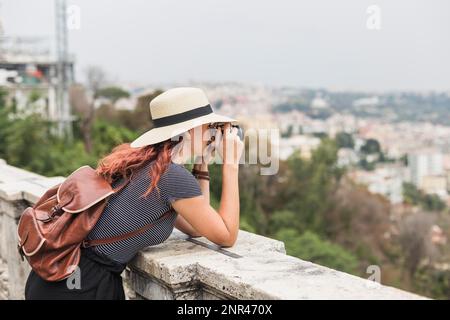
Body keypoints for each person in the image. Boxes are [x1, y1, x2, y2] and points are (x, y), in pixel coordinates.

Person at [24, 87, 244, 300]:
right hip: (80, 285)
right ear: (187, 133)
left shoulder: (148, 165)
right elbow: (226, 236)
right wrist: (231, 165)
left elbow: (197, 226)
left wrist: (202, 164)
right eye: (209, 126)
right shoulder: (170, 177)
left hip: (61, 277)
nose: (215, 134)